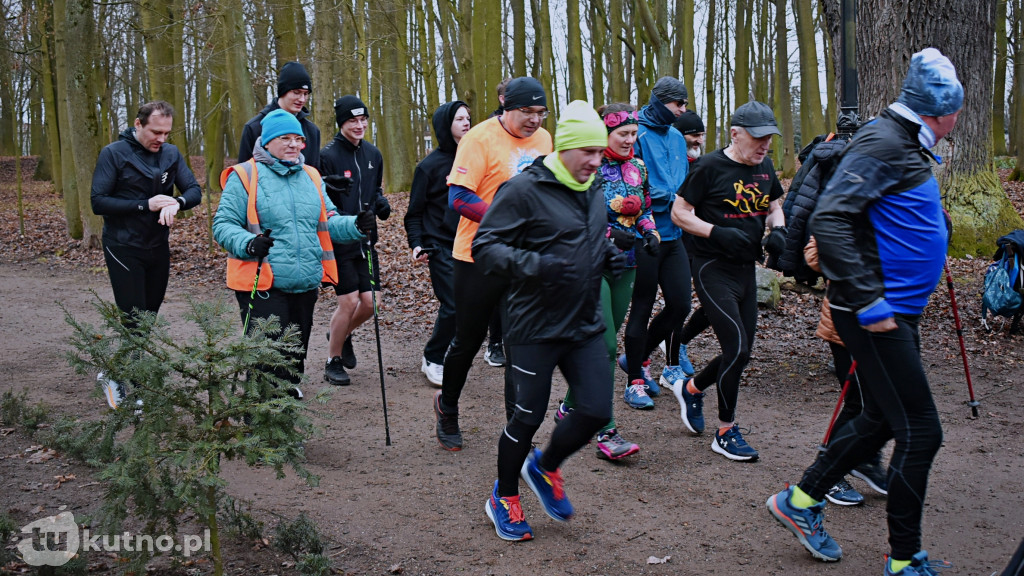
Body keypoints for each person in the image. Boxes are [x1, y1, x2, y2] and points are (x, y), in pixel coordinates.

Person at [767, 48, 962, 575]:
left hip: (893, 309)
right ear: (941, 110)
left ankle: (801, 502)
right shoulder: (882, 140)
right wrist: (870, 297)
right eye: (956, 110)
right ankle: (904, 560)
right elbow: (828, 221)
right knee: (922, 432)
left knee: (878, 419)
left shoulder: (902, 143)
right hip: (877, 311)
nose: (958, 120)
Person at [474, 100, 625, 541]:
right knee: (527, 418)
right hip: (534, 326)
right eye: (589, 153)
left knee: (596, 410)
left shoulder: (592, 186)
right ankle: (504, 495)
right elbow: (486, 248)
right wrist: (539, 265)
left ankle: (544, 466)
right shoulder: (523, 190)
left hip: (583, 324)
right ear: (566, 149)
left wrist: (608, 254)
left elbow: (587, 240)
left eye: (601, 153)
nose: (597, 161)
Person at [213, 109, 375, 398]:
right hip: (262, 281)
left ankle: (284, 423)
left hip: (304, 282)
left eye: (298, 139)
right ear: (266, 141)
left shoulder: (311, 176)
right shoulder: (245, 175)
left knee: (293, 358)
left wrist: (356, 225)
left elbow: (329, 222)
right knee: (267, 357)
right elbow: (222, 225)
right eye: (284, 138)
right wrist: (249, 243)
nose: (293, 144)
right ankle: (260, 428)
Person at [432, 76, 553, 451]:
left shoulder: (545, 140)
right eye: (526, 112)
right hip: (477, 255)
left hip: (522, 259)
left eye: (540, 112)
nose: (534, 120)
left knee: (519, 344)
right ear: (506, 108)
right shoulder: (479, 138)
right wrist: (506, 216)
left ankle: (515, 430)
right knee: (467, 341)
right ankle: (447, 406)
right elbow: (459, 198)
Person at [670, 100, 786, 461]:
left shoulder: (764, 166)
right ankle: (725, 431)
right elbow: (679, 212)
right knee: (736, 349)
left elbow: (774, 206)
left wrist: (778, 230)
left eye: (769, 138)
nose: (764, 146)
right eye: (757, 138)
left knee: (741, 352)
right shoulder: (708, 167)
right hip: (711, 268)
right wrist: (715, 233)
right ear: (736, 134)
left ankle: (692, 387)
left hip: (745, 271)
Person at [554, 103, 656, 460]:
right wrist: (612, 233)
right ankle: (606, 431)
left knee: (606, 345)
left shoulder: (638, 167)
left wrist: (650, 232)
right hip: (591, 264)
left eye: (634, 133)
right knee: (607, 346)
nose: (631, 140)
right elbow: (580, 215)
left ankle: (570, 406)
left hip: (626, 265)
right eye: (623, 134)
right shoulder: (590, 168)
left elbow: (644, 207)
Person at [90, 100, 203, 409]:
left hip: (157, 247)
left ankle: (112, 371)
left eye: (166, 132)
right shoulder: (113, 154)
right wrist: (146, 204)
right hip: (123, 246)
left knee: (148, 319)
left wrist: (176, 204)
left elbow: (194, 191)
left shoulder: (170, 154)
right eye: (156, 132)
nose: (161, 139)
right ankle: (137, 390)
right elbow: (98, 201)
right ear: (138, 125)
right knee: (134, 319)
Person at [618, 76, 692, 410]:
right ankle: (635, 379)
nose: (683, 110)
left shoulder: (676, 137)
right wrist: (668, 197)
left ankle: (638, 356)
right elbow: (632, 181)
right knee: (643, 305)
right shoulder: (638, 134)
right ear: (661, 102)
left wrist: (689, 201)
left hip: (675, 232)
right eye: (679, 104)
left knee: (680, 305)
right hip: (643, 234)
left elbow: (685, 181)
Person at [802, 236, 889, 506]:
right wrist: (852, 270)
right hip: (847, 322)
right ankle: (826, 471)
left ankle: (864, 456)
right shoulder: (849, 201)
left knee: (881, 402)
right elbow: (813, 253)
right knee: (858, 404)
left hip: (884, 323)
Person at [319, 96, 389, 386]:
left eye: (363, 120)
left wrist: (380, 203)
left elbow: (375, 191)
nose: (359, 126)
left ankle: (341, 331)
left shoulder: (373, 154)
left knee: (372, 302)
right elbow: (320, 199)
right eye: (352, 121)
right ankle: (332, 360)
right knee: (348, 302)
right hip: (339, 239)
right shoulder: (328, 156)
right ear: (341, 123)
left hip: (366, 240)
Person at [403, 101, 471, 386]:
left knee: (470, 306)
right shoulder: (428, 167)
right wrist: (416, 244)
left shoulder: (474, 158)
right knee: (453, 304)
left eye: (468, 118)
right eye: (459, 119)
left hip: (470, 242)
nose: (466, 123)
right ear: (446, 125)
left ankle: (454, 353)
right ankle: (433, 357)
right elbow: (413, 213)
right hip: (439, 244)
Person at [659, 109, 709, 382]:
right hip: (675, 240)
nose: (699, 140)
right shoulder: (670, 163)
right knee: (678, 304)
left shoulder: (707, 164)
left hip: (703, 243)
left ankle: (679, 343)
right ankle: (669, 364)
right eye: (693, 134)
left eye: (701, 134)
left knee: (709, 305)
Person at [238, 61, 320, 169]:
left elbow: (315, 174)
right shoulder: (255, 128)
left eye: (305, 93)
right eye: (296, 92)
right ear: (283, 91)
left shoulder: (312, 131)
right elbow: (244, 174)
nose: (302, 99)